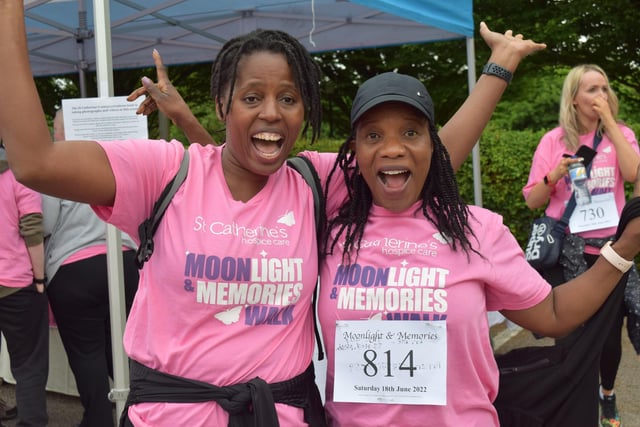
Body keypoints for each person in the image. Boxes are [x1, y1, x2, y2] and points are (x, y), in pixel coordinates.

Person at [0, 1, 544, 424]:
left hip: (282, 415)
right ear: (222, 105)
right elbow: (35, 160)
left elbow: (430, 154)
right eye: (252, 96)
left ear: (305, 109)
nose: (271, 112)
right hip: (171, 413)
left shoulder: (315, 181)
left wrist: (498, 66)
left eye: (288, 98)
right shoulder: (164, 173)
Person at [307, 72, 640, 426]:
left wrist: (624, 247)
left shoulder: (476, 230)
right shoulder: (329, 228)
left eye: (410, 132)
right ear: (353, 150)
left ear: (433, 146)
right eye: (373, 135)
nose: (392, 148)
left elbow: (554, 313)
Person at [523, 64, 640, 427]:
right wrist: (554, 174)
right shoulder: (553, 141)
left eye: (605, 89)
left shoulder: (622, 134)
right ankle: (573, 401)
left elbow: (634, 173)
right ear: (573, 98)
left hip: (611, 251)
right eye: (591, 90)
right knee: (568, 335)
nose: (600, 96)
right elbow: (532, 200)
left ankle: (606, 393)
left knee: (607, 339)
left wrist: (610, 127)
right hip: (567, 252)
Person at [42, 109, 140, 427]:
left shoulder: (57, 168)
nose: (55, 135)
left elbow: (45, 221)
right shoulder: (120, 160)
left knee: (86, 351)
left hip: (75, 270)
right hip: (126, 262)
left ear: (68, 129)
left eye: (56, 129)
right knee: (123, 345)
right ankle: (141, 410)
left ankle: (98, 418)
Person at [0, 142, 49, 427]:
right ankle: (31, 421)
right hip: (17, 282)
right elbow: (32, 230)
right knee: (29, 361)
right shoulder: (21, 176)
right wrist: (39, 279)